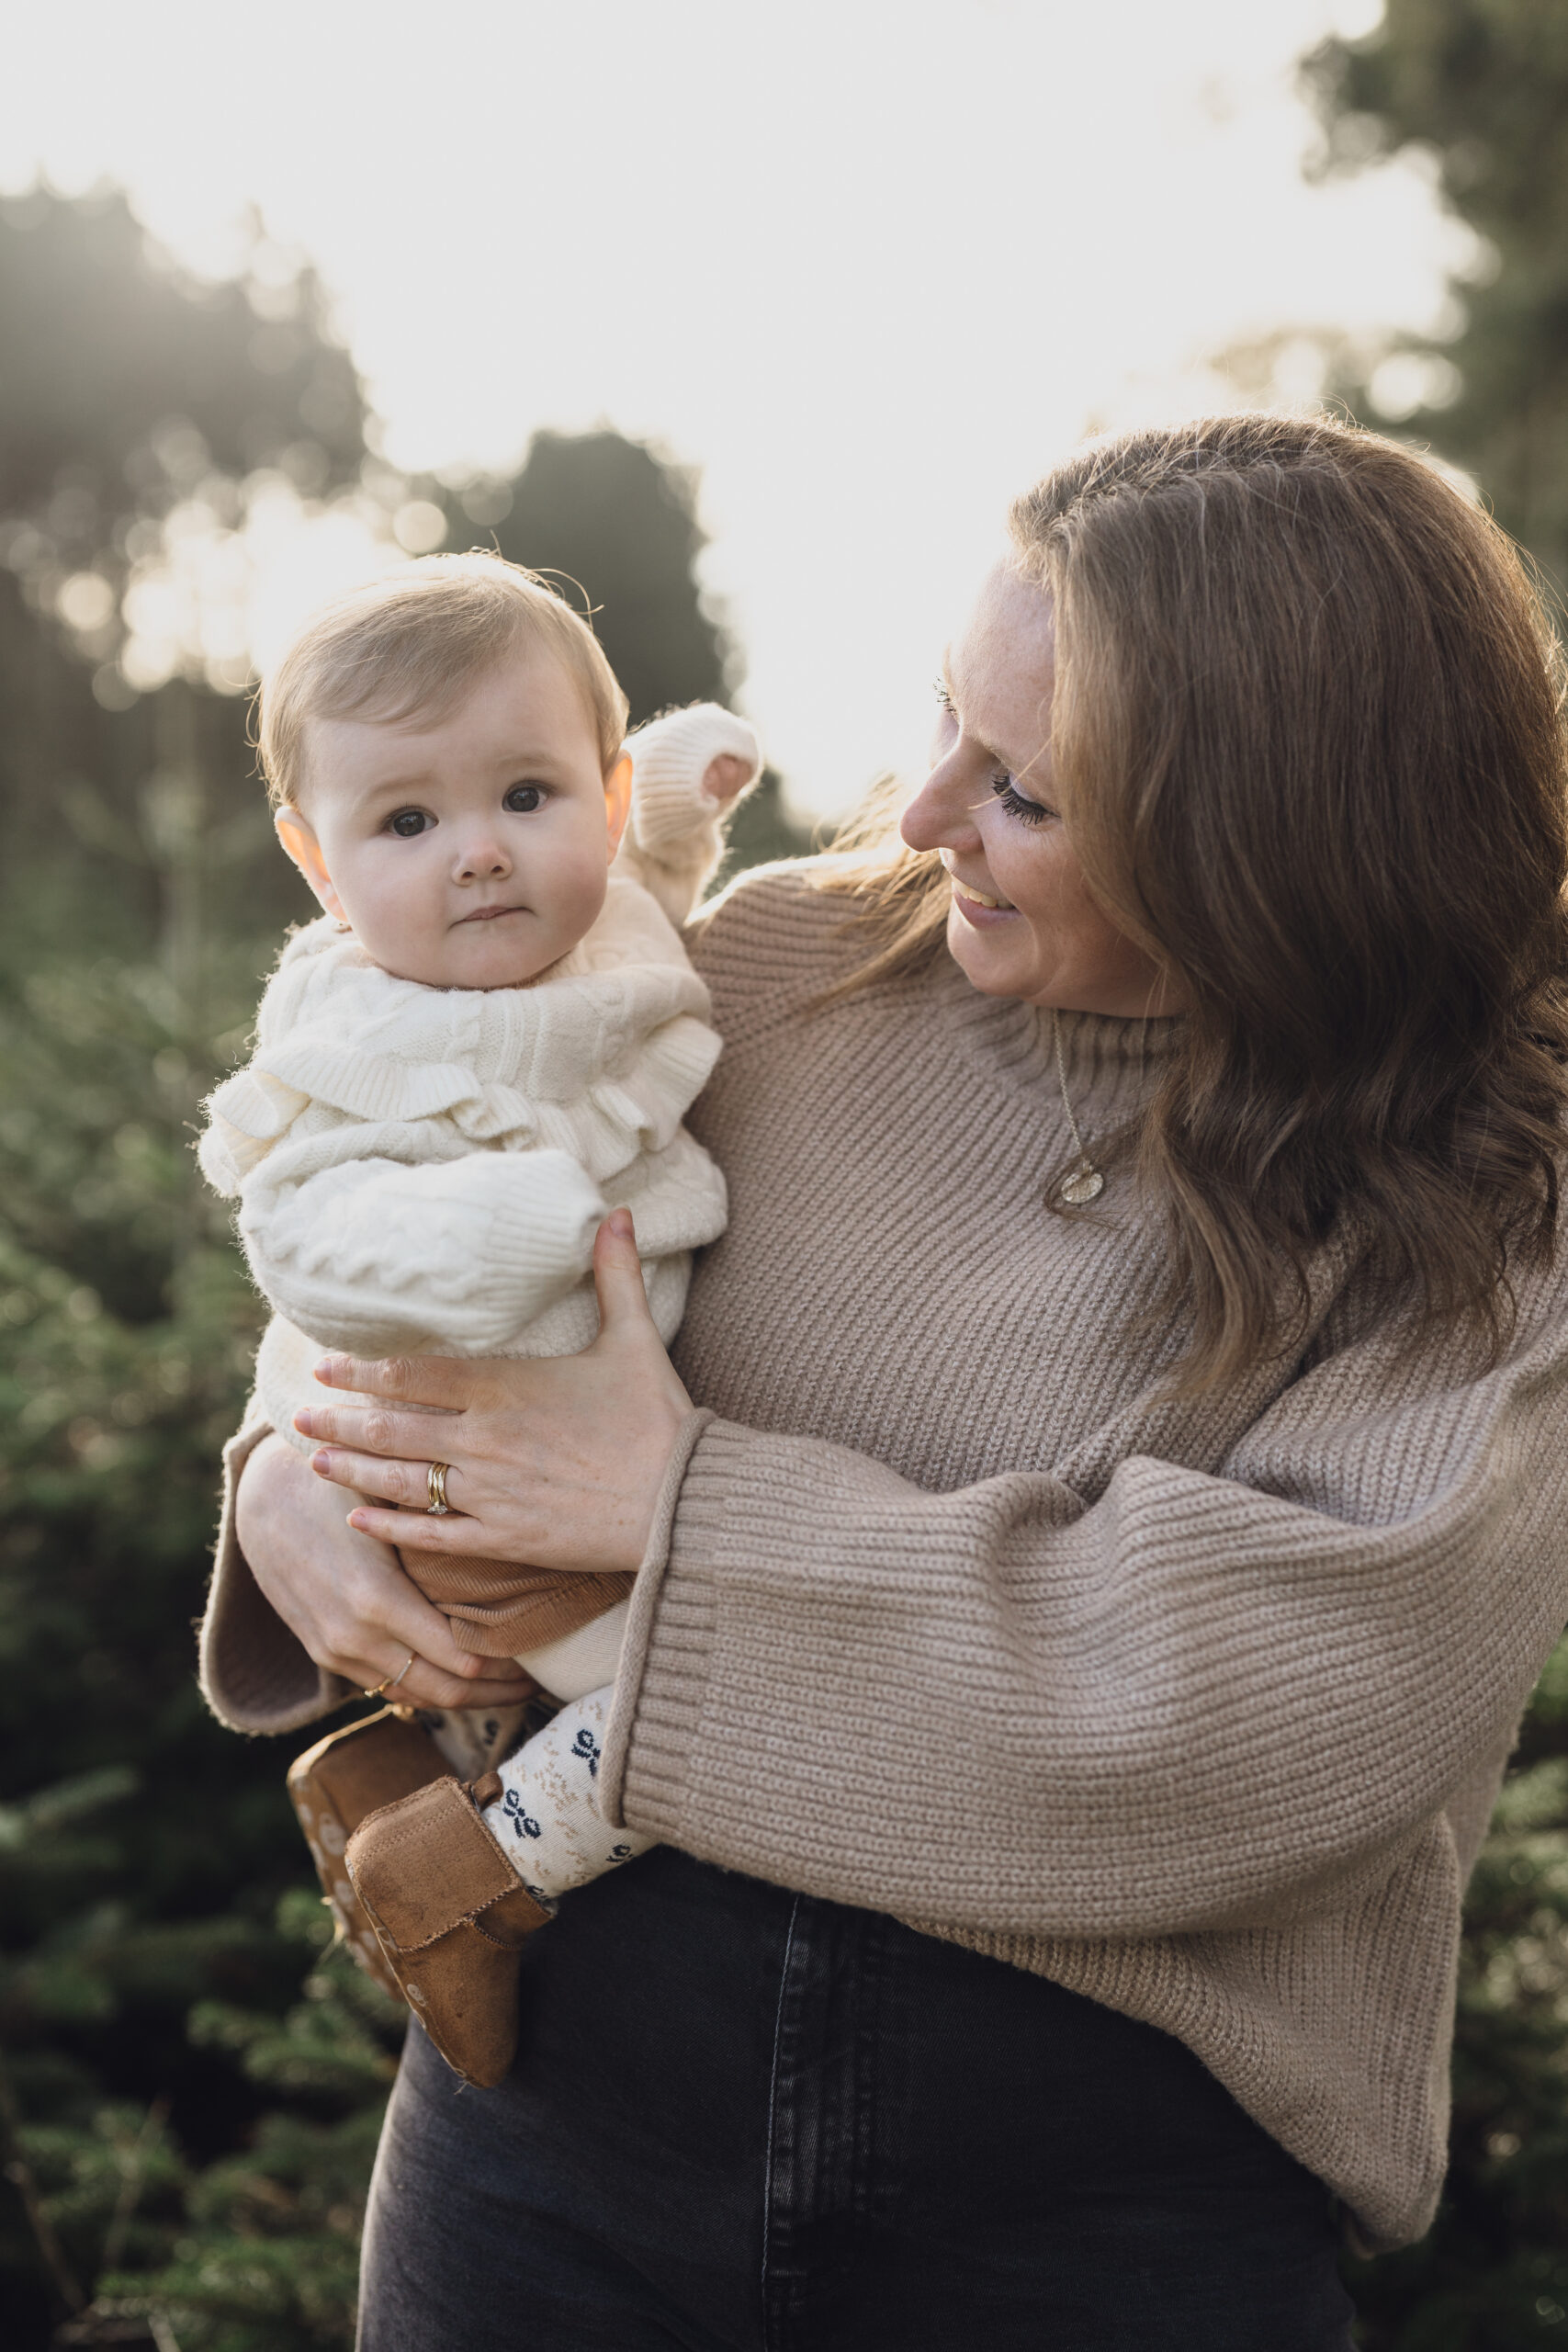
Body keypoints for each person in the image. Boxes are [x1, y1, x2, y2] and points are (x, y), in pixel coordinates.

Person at [202, 416, 1568, 2350]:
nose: (919, 814)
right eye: (943, 715)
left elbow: (1278, 1724)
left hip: (1097, 2208)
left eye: (1024, 789)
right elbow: (420, 1164)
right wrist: (286, 1463)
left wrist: (681, 1514)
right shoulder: (767, 972)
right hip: (559, 2124)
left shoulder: (1492, 1189)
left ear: (1266, 837)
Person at [197, 549, 760, 2066]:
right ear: (318, 864)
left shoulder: (590, 926)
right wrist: (512, 1228)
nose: (482, 856)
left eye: (527, 794)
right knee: (706, 1709)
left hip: (591, 1459)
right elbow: (310, 1241)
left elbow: (640, 917)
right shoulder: (360, 1038)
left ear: (603, 799)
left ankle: (388, 1779)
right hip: (488, 1492)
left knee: (620, 1694)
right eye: (408, 822)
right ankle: (453, 1880)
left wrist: (677, 804)